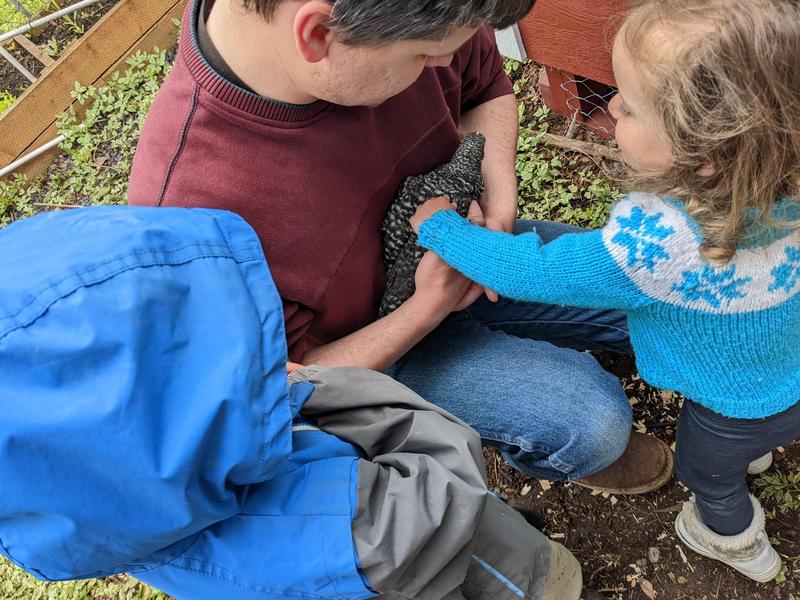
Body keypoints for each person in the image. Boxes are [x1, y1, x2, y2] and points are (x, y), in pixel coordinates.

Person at [128, 0, 672, 495]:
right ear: (318, 34)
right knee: (593, 425)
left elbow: (485, 89)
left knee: (662, 292)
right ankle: (564, 452)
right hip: (381, 349)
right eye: (425, 57)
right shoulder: (188, 220)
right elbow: (289, 384)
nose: (442, 67)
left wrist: (497, 209)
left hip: (467, 244)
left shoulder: (411, 20)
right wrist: (427, 305)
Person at [0, 205, 585, 599]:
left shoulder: (123, 508)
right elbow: (445, 469)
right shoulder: (324, 519)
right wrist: (308, 387)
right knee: (537, 577)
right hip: (484, 570)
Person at [410, 0, 800, 583]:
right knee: (751, 433)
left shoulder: (657, 245)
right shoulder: (788, 193)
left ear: (707, 157)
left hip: (724, 409)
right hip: (785, 380)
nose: (613, 105)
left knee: (710, 477)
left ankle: (733, 539)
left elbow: (533, 272)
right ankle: (754, 450)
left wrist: (442, 230)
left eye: (632, 105)